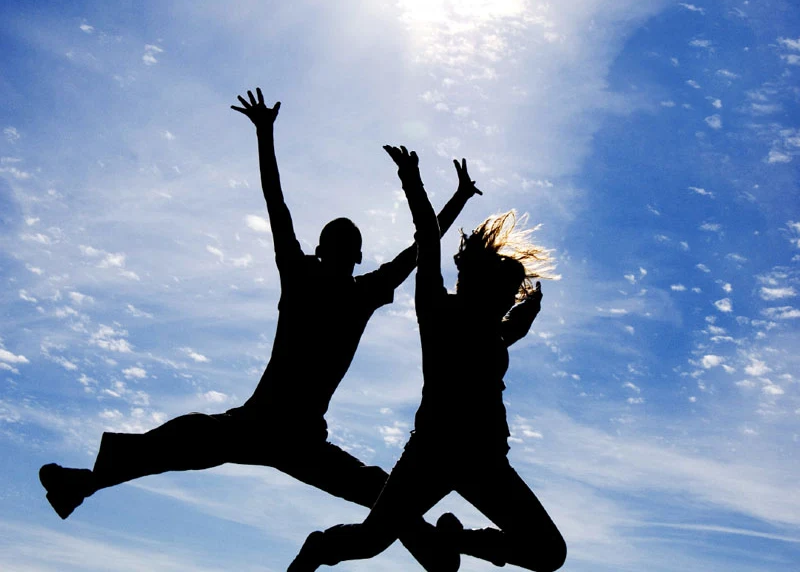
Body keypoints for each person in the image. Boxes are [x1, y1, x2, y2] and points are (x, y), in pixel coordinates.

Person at [38, 89, 496, 572]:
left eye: (345, 246)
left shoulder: (341, 285)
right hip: (269, 425)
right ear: (329, 251)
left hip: (291, 433)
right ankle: (81, 484)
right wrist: (264, 135)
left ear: (342, 253)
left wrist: (457, 198)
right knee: (189, 439)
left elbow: (415, 245)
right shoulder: (327, 282)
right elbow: (288, 209)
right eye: (339, 244)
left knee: (365, 484)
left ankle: (431, 548)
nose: (341, 252)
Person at [288, 146, 566, 572]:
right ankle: (319, 548)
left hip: (485, 463)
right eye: (508, 295)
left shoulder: (491, 332)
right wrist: (412, 181)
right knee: (369, 541)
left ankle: (452, 539)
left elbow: (512, 330)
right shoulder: (437, 311)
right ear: (482, 288)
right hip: (430, 456)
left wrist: (529, 312)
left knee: (548, 552)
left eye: (512, 297)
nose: (511, 301)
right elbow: (428, 239)